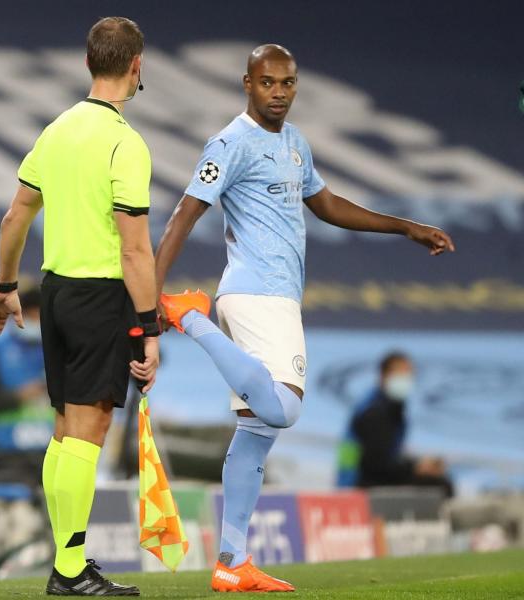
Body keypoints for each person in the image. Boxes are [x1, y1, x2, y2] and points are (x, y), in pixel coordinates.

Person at [154, 44, 455, 593]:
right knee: (285, 408)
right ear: (247, 83)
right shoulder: (231, 142)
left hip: (279, 296)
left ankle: (231, 560)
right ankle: (190, 318)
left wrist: (405, 227)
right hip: (255, 294)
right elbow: (185, 210)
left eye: (288, 83)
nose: (279, 93)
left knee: (257, 430)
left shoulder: (294, 144)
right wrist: (151, 292)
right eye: (268, 82)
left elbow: (328, 204)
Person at [0, 16, 159, 597]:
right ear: (136, 66)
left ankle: (67, 563)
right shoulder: (125, 144)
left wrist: (6, 285)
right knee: (89, 430)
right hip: (101, 296)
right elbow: (134, 249)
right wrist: (150, 327)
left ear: (89, 64)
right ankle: (71, 569)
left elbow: (14, 217)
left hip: (54, 294)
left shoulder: (55, 130)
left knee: (64, 432)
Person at [338, 352, 453, 497]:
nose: (406, 380)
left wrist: (419, 465)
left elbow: (389, 457)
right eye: (400, 375)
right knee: (440, 486)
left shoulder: (394, 409)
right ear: (383, 377)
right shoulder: (374, 411)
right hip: (361, 485)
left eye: (409, 375)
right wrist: (416, 468)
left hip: (375, 478)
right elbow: (376, 465)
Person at [0, 287, 53, 488]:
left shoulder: (57, 351)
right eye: (31, 316)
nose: (36, 322)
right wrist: (21, 395)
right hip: (9, 455)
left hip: (51, 451)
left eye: (41, 316)